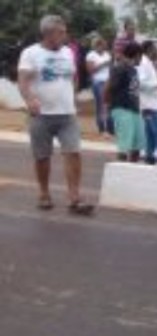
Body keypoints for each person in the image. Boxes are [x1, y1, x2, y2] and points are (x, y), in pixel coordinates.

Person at [17, 15, 94, 215]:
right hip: (41, 115)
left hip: (67, 114)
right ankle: (44, 194)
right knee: (42, 157)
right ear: (49, 33)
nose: (65, 35)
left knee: (74, 153)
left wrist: (74, 96)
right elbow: (23, 80)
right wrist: (29, 100)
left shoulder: (68, 52)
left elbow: (72, 77)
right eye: (62, 32)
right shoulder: (30, 53)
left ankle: (75, 197)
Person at [105, 42, 144, 162]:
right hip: (122, 109)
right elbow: (109, 88)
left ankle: (132, 172)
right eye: (141, 56)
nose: (141, 59)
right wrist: (109, 110)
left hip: (134, 109)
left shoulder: (133, 70)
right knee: (124, 146)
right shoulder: (120, 68)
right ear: (137, 55)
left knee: (137, 145)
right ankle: (120, 170)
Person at [85, 37, 112, 136]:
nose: (103, 47)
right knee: (101, 105)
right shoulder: (91, 55)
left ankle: (110, 128)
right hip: (98, 82)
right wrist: (103, 64)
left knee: (109, 105)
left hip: (108, 81)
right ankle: (102, 128)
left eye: (103, 45)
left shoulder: (107, 54)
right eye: (100, 45)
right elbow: (90, 70)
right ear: (96, 45)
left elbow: (110, 68)